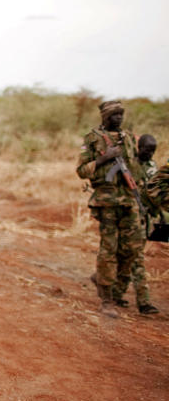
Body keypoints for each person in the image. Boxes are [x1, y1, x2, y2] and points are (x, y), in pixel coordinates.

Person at [76, 101, 154, 316]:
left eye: (121, 114)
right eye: (114, 115)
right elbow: (82, 170)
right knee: (108, 250)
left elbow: (136, 167)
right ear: (105, 116)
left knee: (131, 250)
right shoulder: (92, 138)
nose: (119, 118)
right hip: (106, 202)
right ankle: (107, 300)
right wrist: (104, 158)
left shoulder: (128, 138)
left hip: (129, 200)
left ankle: (105, 281)